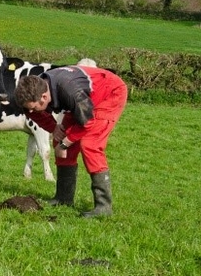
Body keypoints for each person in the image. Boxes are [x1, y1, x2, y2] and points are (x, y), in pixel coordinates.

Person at [14, 59, 127, 217]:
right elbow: (34, 113)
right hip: (83, 101)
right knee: (58, 141)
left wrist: (65, 143)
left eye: (33, 108)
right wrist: (54, 128)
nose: (31, 112)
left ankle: (104, 207)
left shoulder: (70, 91)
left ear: (44, 97)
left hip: (109, 93)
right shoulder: (33, 90)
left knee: (90, 145)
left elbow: (87, 122)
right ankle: (64, 198)